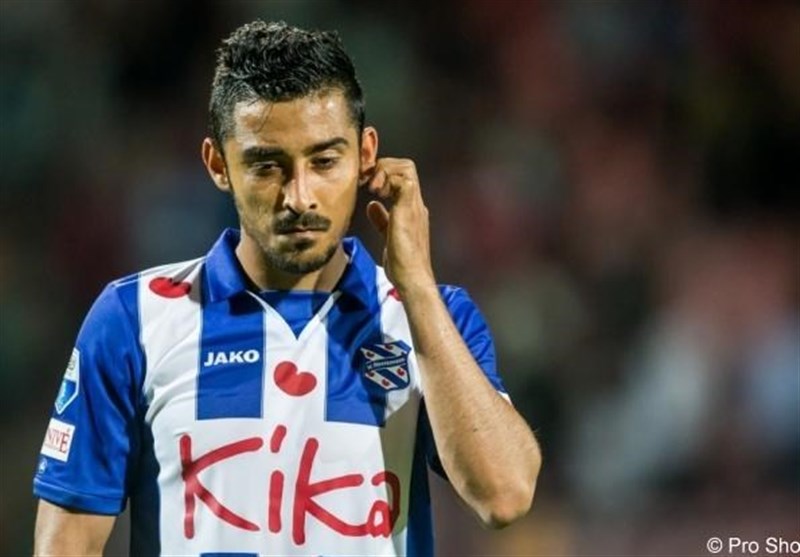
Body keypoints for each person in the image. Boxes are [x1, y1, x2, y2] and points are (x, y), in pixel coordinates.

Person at [32, 20, 541, 556]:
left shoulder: (431, 318)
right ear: (218, 164)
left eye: (324, 161)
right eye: (267, 165)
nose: (299, 196)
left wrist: (416, 287)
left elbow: (504, 496)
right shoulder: (134, 317)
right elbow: (66, 546)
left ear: (366, 154)